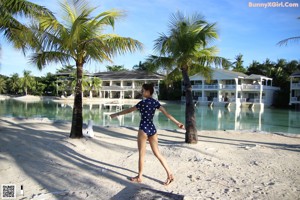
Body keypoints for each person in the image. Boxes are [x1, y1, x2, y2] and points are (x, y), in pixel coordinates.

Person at [110, 83, 185, 186]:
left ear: (148, 91)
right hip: (152, 129)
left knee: (142, 154)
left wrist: (116, 114)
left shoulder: (142, 103)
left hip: (143, 129)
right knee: (158, 153)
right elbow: (167, 114)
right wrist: (177, 123)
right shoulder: (155, 103)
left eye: (143, 90)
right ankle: (170, 174)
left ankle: (140, 176)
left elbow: (129, 110)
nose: (142, 92)